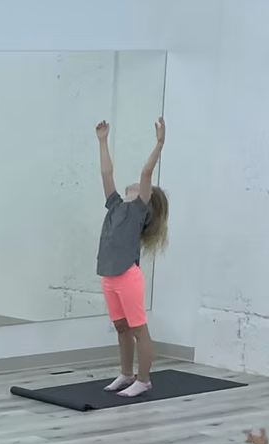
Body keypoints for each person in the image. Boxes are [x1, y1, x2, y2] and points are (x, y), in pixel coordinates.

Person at [96, 117, 168, 398]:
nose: (136, 184)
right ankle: (126, 373)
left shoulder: (138, 209)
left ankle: (144, 378)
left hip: (127, 276)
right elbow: (106, 173)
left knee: (138, 329)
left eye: (141, 186)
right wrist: (102, 141)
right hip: (109, 276)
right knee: (121, 327)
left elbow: (147, 171)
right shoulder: (115, 205)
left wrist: (160, 143)